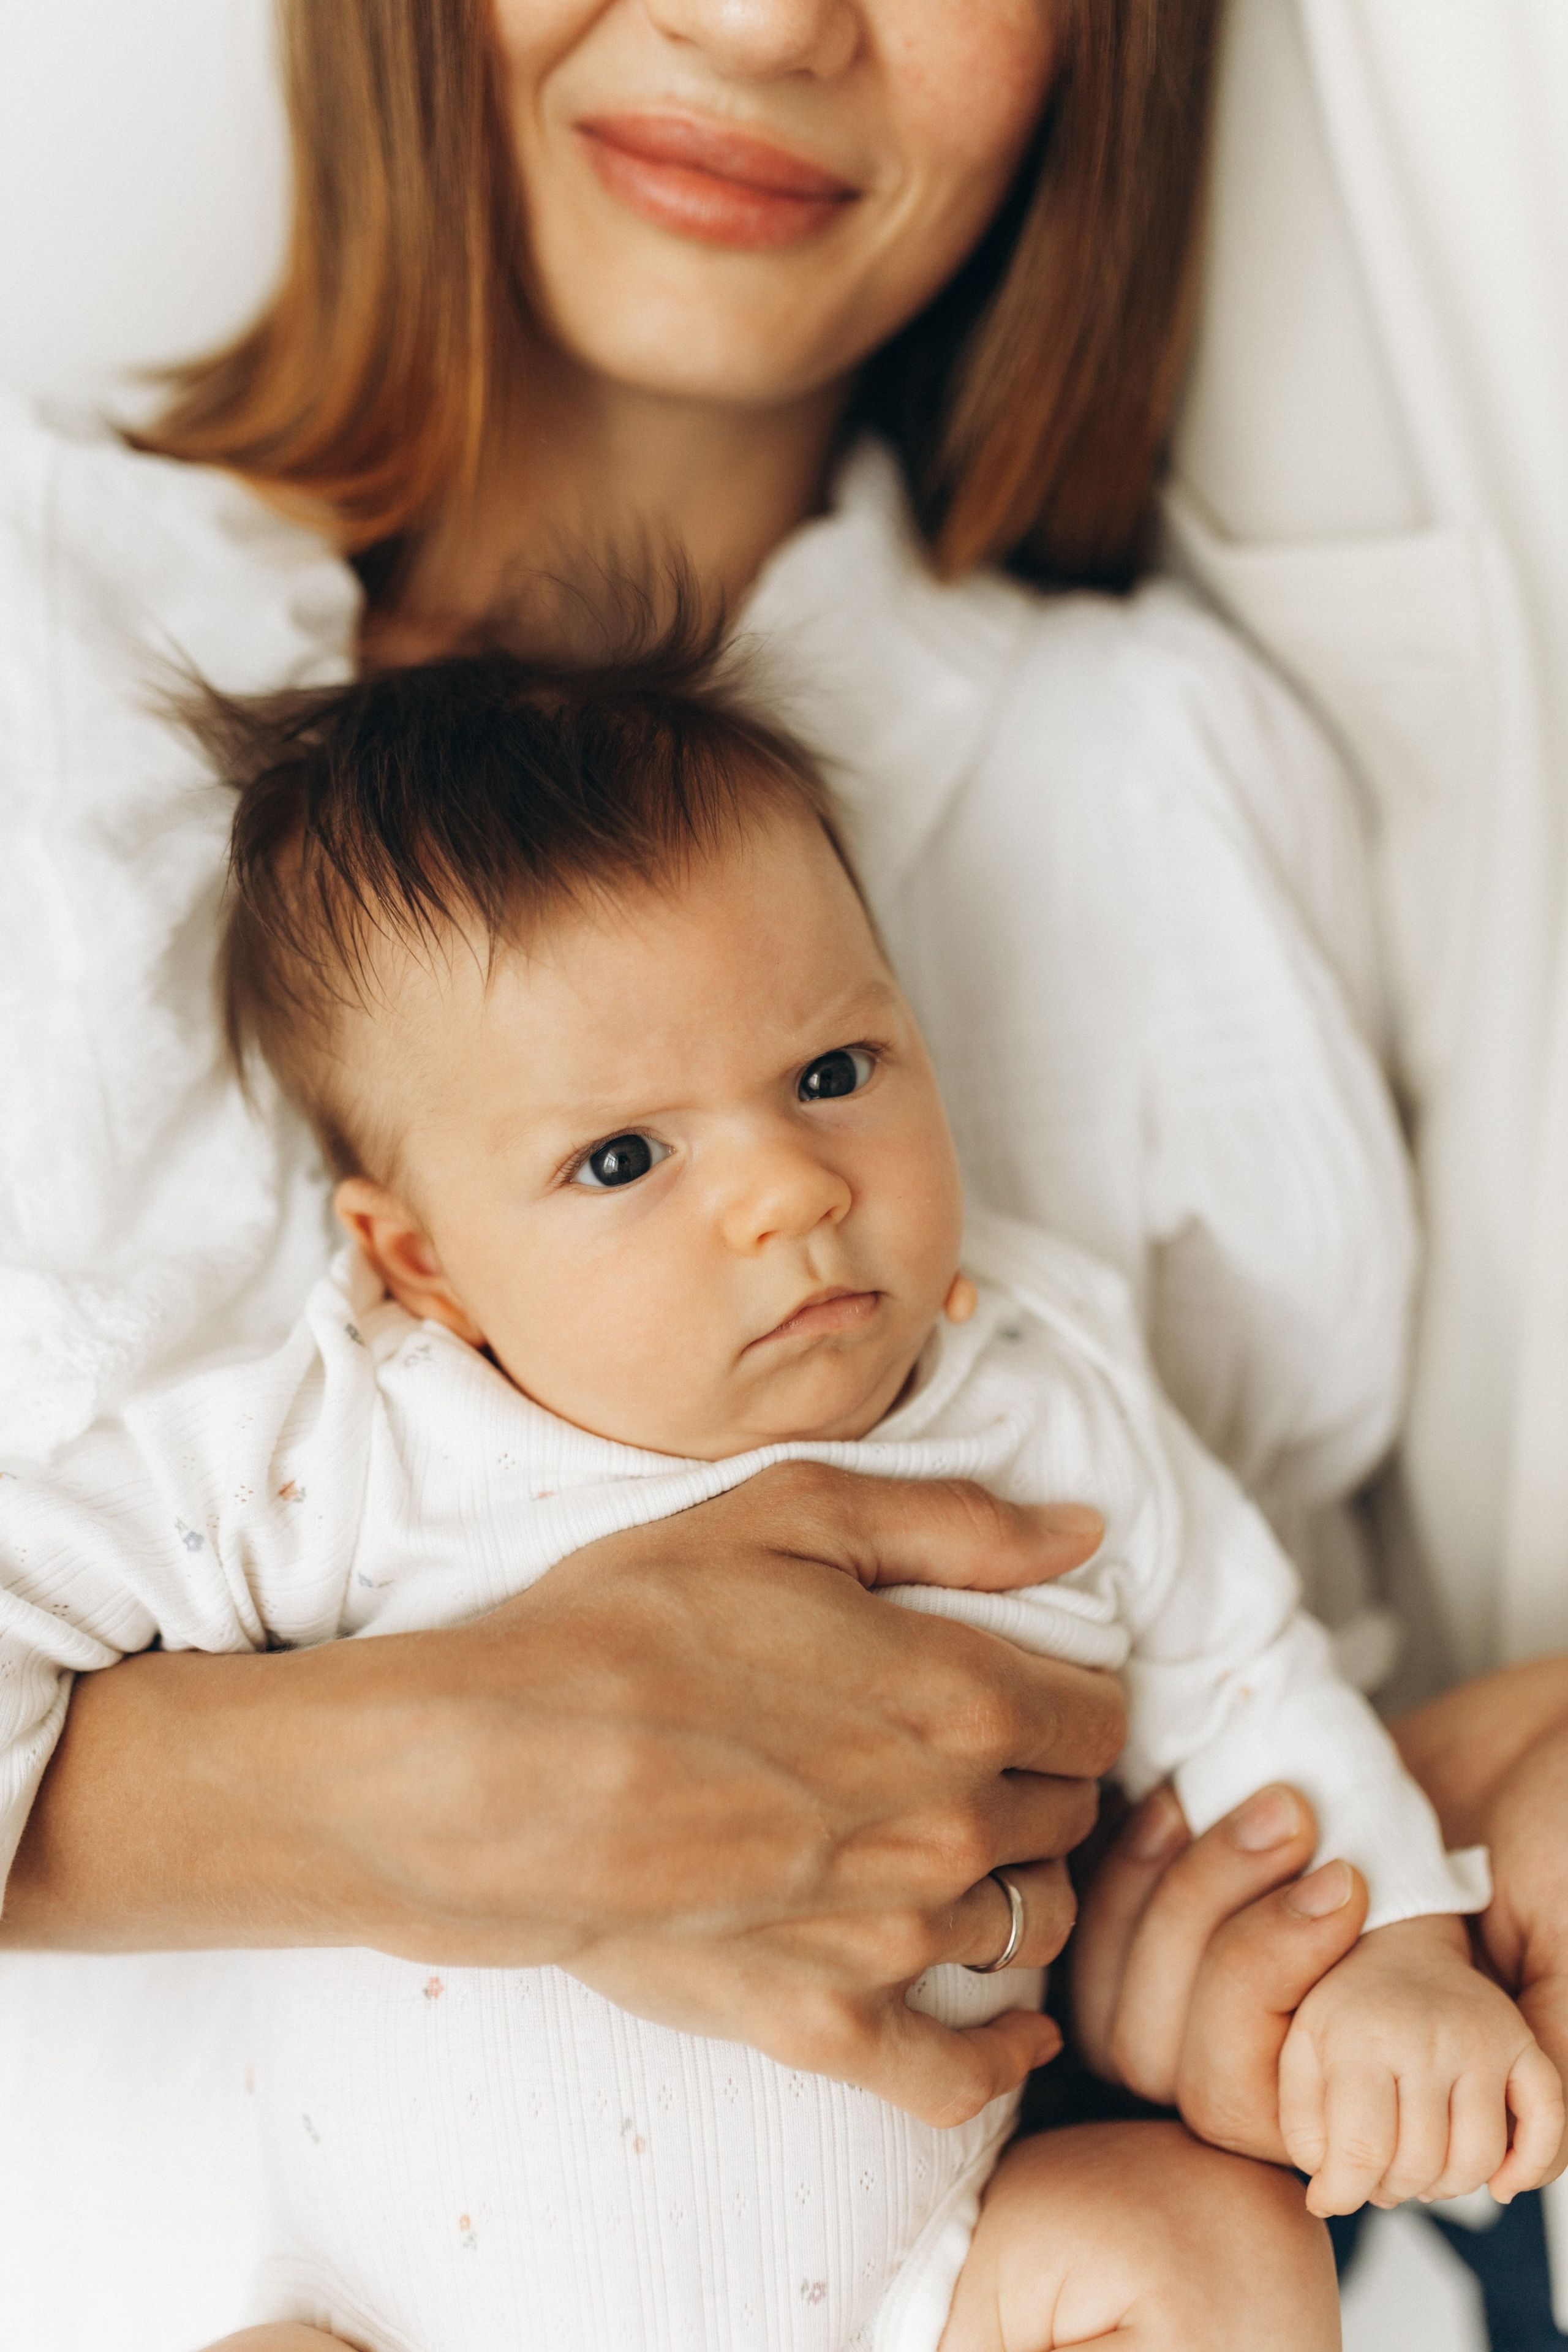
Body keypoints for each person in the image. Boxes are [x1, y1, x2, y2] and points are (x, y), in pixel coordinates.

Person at [0, 1, 1548, 2340]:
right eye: (619, 1149)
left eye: (839, 1073)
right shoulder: (46, 639)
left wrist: (1385, 1910)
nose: (754, 20)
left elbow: (1251, 1659)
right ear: (403, 1258)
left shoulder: (1157, 803)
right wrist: (418, 1784)